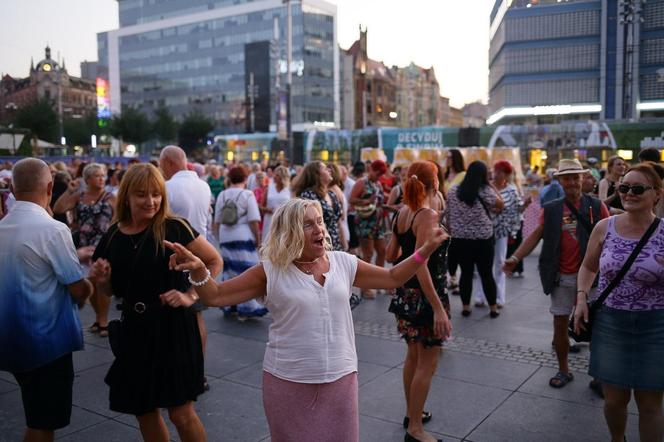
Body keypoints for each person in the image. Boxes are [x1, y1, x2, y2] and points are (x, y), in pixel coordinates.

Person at [160, 198, 449, 442]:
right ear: (290, 232)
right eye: (308, 224)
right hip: (288, 383)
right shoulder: (271, 271)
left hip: (341, 380)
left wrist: (424, 251)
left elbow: (393, 277)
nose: (319, 229)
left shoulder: (343, 263)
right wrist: (198, 271)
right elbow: (216, 296)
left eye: (320, 221)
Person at [89, 164, 221, 441]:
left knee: (181, 413)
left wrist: (192, 295)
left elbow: (213, 261)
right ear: (126, 197)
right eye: (141, 195)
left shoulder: (174, 228)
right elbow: (111, 290)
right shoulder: (113, 235)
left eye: (155, 194)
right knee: (144, 410)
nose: (150, 201)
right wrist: (101, 281)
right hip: (135, 330)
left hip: (173, 328)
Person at [0, 158, 93, 442]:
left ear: (13, 189)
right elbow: (77, 288)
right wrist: (92, 284)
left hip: (9, 338)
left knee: (36, 413)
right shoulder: (52, 229)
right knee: (43, 422)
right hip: (46, 344)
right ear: (50, 186)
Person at [574, 163, 664, 442]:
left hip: (656, 326)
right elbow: (588, 267)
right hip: (611, 322)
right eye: (623, 187)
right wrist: (581, 298)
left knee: (650, 405)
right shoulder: (605, 227)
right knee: (614, 400)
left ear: (657, 194)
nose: (628, 193)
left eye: (638, 189)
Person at [504, 159, 610, 389]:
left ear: (582, 178)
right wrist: (515, 258)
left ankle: (598, 375)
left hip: (592, 276)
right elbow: (534, 236)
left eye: (575, 177)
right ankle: (563, 370)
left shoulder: (596, 206)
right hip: (562, 276)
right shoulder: (551, 209)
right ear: (560, 181)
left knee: (596, 326)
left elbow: (610, 237)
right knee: (560, 323)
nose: (572, 182)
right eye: (567, 178)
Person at [386, 161, 452, 442]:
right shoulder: (426, 215)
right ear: (434, 182)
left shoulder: (403, 212)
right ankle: (415, 428)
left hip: (405, 294)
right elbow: (421, 264)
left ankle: (413, 413)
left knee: (413, 356)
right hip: (426, 295)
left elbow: (391, 255)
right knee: (428, 363)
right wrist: (438, 307)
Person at [160, 145, 218, 391]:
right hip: (201, 253)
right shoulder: (203, 185)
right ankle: (198, 371)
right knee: (197, 317)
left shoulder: (168, 187)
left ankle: (173, 371)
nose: (161, 170)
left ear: (170, 163)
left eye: (162, 166)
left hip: (174, 254)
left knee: (172, 319)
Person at [53, 163, 116, 337]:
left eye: (103, 175)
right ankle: (98, 317)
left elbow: (120, 217)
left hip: (103, 245)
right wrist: (69, 190)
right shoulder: (79, 196)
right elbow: (58, 208)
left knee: (101, 282)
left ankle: (103, 320)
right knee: (90, 283)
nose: (102, 179)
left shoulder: (110, 196)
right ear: (87, 179)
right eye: (97, 176)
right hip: (83, 245)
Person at [447, 161, 504, 317]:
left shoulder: (453, 191)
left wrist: (455, 230)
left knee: (465, 273)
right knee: (486, 273)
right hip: (483, 239)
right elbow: (501, 204)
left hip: (460, 239)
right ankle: (493, 307)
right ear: (484, 175)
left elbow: (448, 215)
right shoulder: (486, 190)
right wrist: (492, 186)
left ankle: (466, 307)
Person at [214, 165, 267, 319]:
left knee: (229, 272)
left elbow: (216, 221)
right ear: (245, 178)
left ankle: (230, 305)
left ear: (229, 178)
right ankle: (247, 307)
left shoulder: (222, 195)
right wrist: (258, 240)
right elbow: (253, 220)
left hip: (225, 236)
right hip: (242, 235)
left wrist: (219, 238)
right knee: (246, 272)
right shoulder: (247, 195)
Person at [474, 160, 529, 308]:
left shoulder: (511, 190)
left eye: (500, 171)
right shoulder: (484, 188)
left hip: (501, 231)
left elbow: (517, 209)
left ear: (506, 174)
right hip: (484, 231)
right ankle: (480, 297)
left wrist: (526, 205)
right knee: (482, 264)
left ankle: (499, 298)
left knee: (499, 263)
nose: (496, 173)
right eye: (495, 170)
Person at [350, 160, 388, 299]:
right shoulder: (362, 182)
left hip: (377, 224)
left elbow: (380, 203)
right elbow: (351, 199)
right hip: (364, 223)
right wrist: (364, 201)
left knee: (382, 251)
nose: (378, 177)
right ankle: (365, 288)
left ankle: (379, 282)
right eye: (377, 173)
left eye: (381, 175)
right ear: (371, 169)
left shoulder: (378, 184)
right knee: (368, 255)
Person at [293, 161, 346, 251]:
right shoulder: (308, 195)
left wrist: (344, 242)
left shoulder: (331, 194)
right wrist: (325, 244)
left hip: (335, 243)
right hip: (319, 244)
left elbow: (338, 221)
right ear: (317, 175)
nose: (329, 170)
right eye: (325, 168)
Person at [443, 149, 466, 294]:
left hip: (459, 217)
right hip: (444, 216)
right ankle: (452, 278)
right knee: (447, 250)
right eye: (446, 157)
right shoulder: (445, 176)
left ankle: (456, 280)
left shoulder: (463, 175)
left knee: (458, 249)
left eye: (449, 157)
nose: (447, 159)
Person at [260, 165, 291, 242]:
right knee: (268, 243)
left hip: (284, 220)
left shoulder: (289, 189)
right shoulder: (269, 188)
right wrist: (267, 209)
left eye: (277, 175)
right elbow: (260, 206)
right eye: (274, 174)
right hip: (269, 220)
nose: (274, 176)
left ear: (282, 177)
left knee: (282, 243)